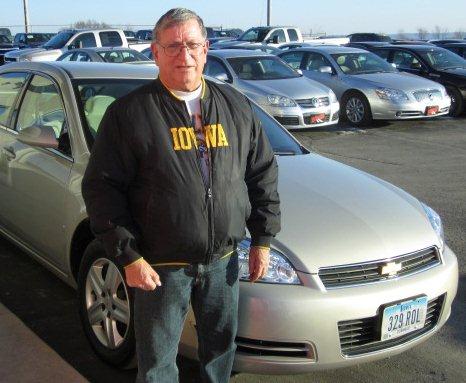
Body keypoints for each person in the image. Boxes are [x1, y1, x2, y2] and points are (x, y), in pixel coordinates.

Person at [82, 7, 280, 383]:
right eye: (172, 46)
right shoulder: (129, 114)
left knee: (220, 354)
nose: (183, 55)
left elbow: (262, 172)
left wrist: (263, 239)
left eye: (191, 45)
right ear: (155, 52)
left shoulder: (235, 106)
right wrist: (128, 256)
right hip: (160, 266)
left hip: (223, 262)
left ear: (206, 50)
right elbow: (102, 188)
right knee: (157, 365)